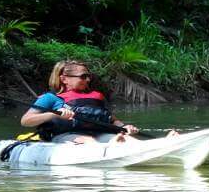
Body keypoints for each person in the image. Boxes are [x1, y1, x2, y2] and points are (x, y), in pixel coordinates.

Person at [19, 59, 147, 144]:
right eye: (83, 77)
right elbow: (25, 121)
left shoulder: (96, 97)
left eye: (88, 76)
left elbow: (112, 120)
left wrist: (124, 127)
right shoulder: (50, 98)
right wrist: (54, 114)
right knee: (88, 141)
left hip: (98, 134)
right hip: (66, 136)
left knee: (127, 139)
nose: (88, 80)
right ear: (64, 79)